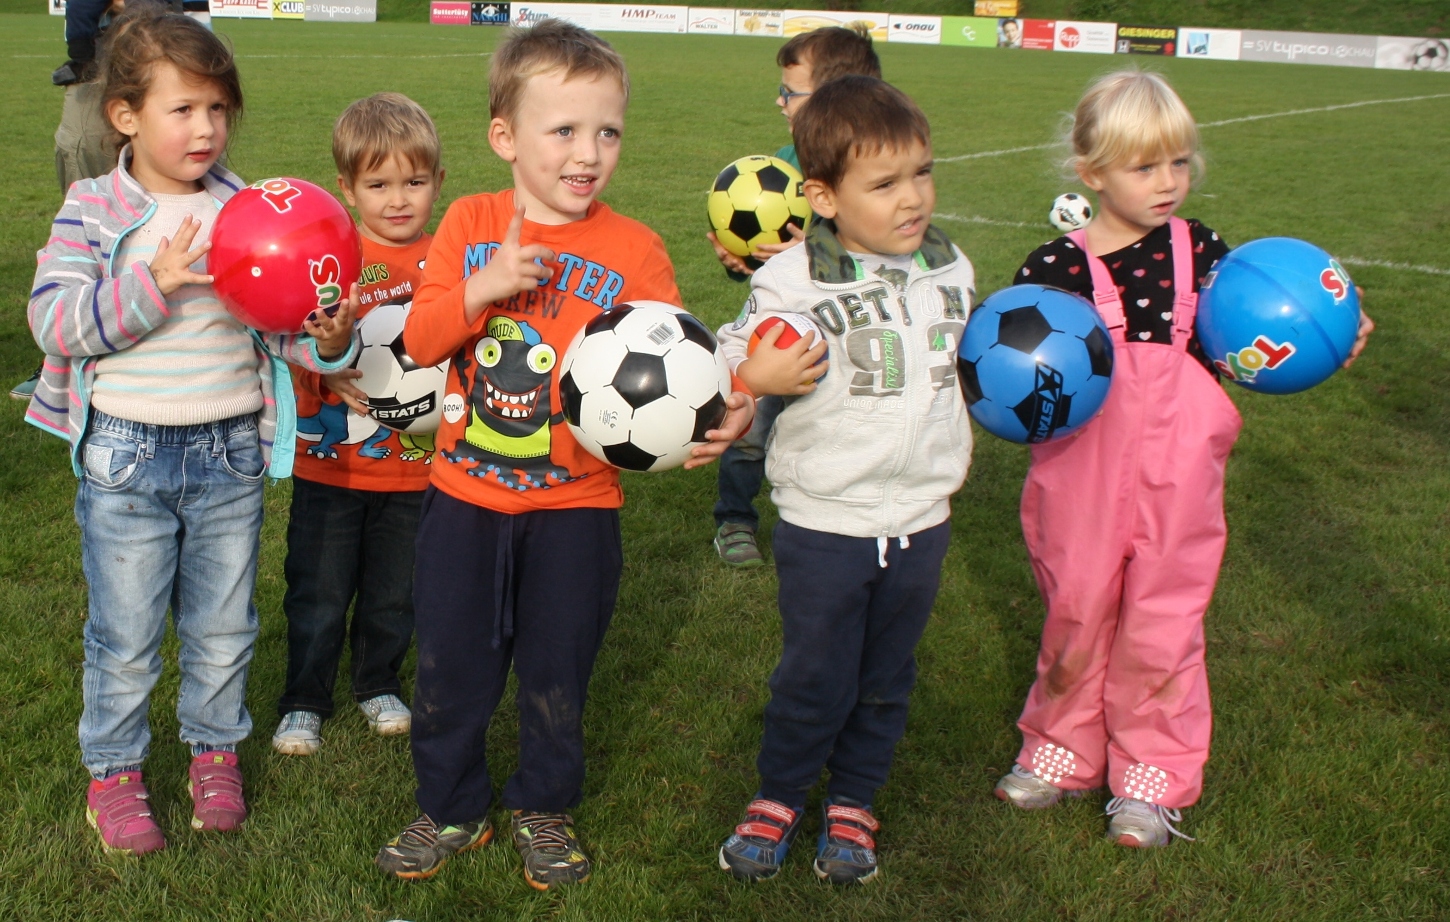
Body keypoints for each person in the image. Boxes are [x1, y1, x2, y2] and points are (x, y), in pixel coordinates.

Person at [373, 20, 754, 889]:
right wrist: (484, 286)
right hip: (464, 503)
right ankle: (449, 805)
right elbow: (422, 341)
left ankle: (544, 806)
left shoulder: (635, 251)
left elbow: (687, 367)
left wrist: (726, 411)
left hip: (577, 512)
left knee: (558, 669)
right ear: (505, 137)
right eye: (566, 131)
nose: (589, 154)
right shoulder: (470, 222)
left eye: (608, 131)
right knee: (451, 665)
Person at [993, 71, 1374, 847]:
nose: (1168, 182)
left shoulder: (1202, 255)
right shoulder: (1052, 272)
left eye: (1179, 162)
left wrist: (1327, 331)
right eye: (1145, 167)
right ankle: (1061, 748)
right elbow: (1013, 379)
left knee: (1163, 625)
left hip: (1181, 482)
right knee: (1077, 612)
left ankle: (1150, 776)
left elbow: (1249, 340)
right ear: (1091, 171)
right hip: (1080, 486)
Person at [24, 9, 358, 855]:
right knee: (126, 637)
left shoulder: (246, 210)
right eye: (183, 109)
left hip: (229, 454)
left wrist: (328, 339)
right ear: (125, 115)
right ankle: (115, 772)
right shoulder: (94, 208)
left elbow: (278, 329)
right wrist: (154, 283)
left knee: (222, 628)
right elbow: (54, 321)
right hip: (125, 457)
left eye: (217, 108)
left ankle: (214, 753)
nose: (206, 128)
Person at [714, 75, 976, 884]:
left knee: (886, 677)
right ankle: (780, 792)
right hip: (825, 521)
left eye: (922, 173)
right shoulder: (794, 280)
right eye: (885, 183)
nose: (913, 198)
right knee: (815, 675)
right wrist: (748, 380)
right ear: (824, 197)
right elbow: (735, 355)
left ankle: (855, 797)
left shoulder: (951, 267)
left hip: (922, 519)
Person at [271, 93, 445, 757]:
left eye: (414, 182)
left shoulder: (449, 262)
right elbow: (294, 346)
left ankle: (377, 682)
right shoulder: (327, 263)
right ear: (346, 188)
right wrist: (329, 362)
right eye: (378, 185)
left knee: (395, 593)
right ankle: (304, 699)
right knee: (317, 590)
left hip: (415, 472)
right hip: (332, 466)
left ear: (438, 182)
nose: (398, 200)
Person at [707, 25, 881, 568]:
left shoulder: (875, 175)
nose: (779, 102)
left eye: (790, 91)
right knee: (751, 424)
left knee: (833, 429)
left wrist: (818, 251)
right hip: (776, 327)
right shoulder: (783, 163)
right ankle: (735, 519)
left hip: (845, 332)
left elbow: (886, 264)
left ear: (833, 95)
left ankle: (827, 519)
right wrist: (743, 265)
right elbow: (768, 268)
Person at [11, 0, 178, 402]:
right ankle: (65, 361)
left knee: (177, 205)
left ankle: (190, 352)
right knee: (87, 226)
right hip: (95, 60)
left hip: (164, 46)